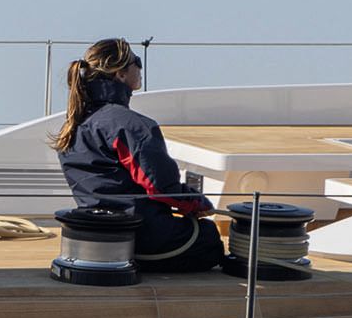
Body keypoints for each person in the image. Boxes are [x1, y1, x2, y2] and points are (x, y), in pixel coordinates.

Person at [53, 37, 226, 274]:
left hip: (100, 240)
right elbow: (162, 188)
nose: (140, 67)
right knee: (208, 238)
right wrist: (197, 203)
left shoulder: (73, 126)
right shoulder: (131, 125)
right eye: (136, 61)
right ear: (120, 74)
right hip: (143, 238)